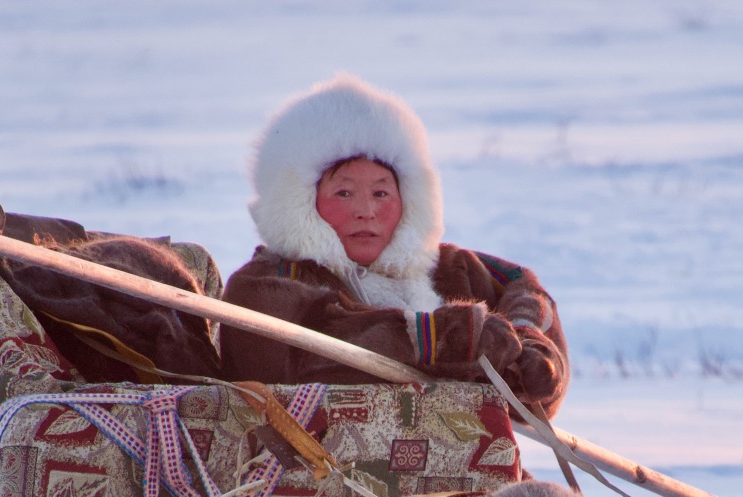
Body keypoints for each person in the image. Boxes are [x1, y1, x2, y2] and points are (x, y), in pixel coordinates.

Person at [221, 76, 569, 416]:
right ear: (300, 202)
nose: (366, 212)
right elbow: (310, 352)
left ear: (410, 199)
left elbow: (525, 292)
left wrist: (530, 352)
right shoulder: (267, 285)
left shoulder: (449, 270)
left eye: (381, 193)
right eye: (343, 192)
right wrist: (439, 338)